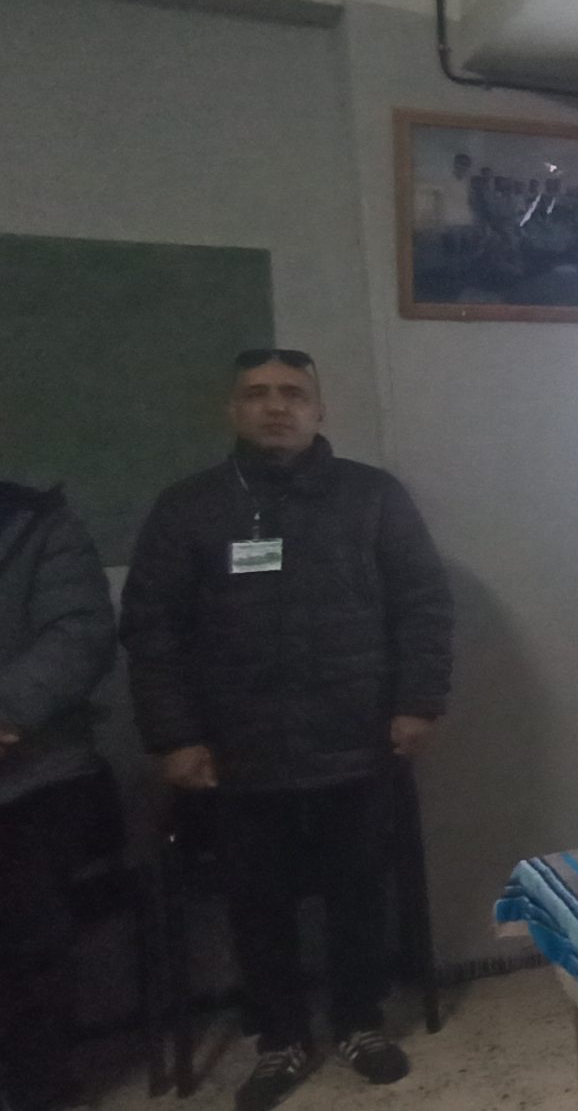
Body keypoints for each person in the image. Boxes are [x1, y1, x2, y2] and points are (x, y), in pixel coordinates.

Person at [122, 349, 453, 1111]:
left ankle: (359, 1022)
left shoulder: (373, 497)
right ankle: (280, 1036)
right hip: (238, 752)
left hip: (357, 742)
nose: (277, 407)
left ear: (319, 410)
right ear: (232, 410)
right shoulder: (188, 507)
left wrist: (419, 703)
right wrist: (174, 738)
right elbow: (151, 629)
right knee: (257, 902)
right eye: (258, 394)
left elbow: (424, 607)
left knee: (357, 892)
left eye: (294, 394)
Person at [0, 480, 117, 1111]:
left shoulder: (39, 525)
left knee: (25, 930)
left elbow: (79, 636)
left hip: (36, 775)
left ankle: (37, 1089)